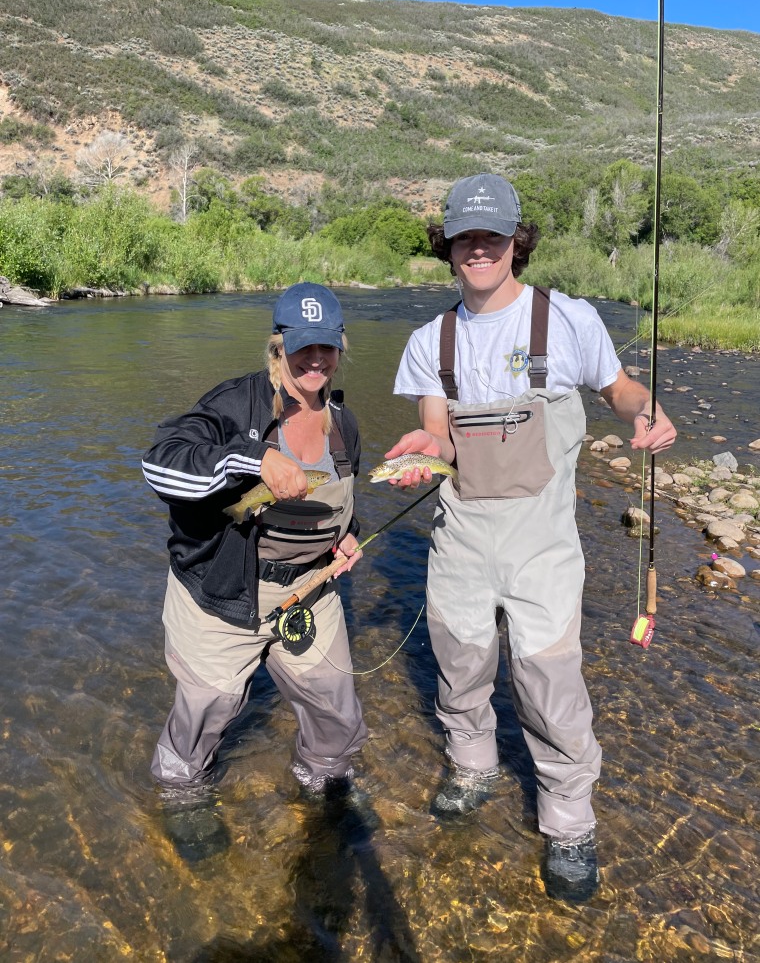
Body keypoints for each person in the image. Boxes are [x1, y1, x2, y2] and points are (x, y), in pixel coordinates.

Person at [386, 173, 677, 902]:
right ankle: (474, 764)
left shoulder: (568, 319)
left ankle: (571, 822)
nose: (478, 247)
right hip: (461, 540)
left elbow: (619, 391)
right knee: (459, 669)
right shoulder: (431, 340)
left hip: (542, 547)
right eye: (464, 236)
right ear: (447, 246)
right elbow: (440, 437)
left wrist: (646, 412)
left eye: (492, 235)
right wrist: (419, 446)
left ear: (517, 240)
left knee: (549, 689)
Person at [142, 282, 367, 860]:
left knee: (336, 712)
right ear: (277, 347)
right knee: (205, 715)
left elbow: (340, 507)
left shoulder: (345, 424)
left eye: (327, 347)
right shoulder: (232, 405)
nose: (315, 360)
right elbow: (161, 465)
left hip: (310, 594)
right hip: (222, 596)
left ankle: (321, 783)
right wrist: (252, 458)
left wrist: (348, 542)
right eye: (302, 347)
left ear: (340, 348)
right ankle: (182, 795)